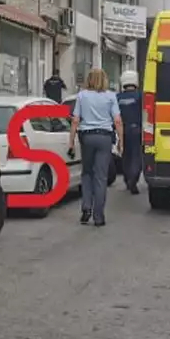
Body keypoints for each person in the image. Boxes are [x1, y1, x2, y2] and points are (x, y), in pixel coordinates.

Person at [68, 67, 123, 227]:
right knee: (101, 177)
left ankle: (86, 208)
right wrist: (121, 141)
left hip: (87, 137)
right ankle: (99, 216)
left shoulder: (82, 95)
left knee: (87, 173)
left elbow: (76, 120)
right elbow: (117, 121)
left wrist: (71, 141)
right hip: (105, 137)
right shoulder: (111, 96)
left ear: (89, 80)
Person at [116, 70, 144, 195]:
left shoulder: (117, 97)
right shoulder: (140, 96)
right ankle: (133, 179)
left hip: (122, 130)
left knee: (125, 156)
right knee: (136, 156)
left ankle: (127, 179)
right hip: (136, 129)